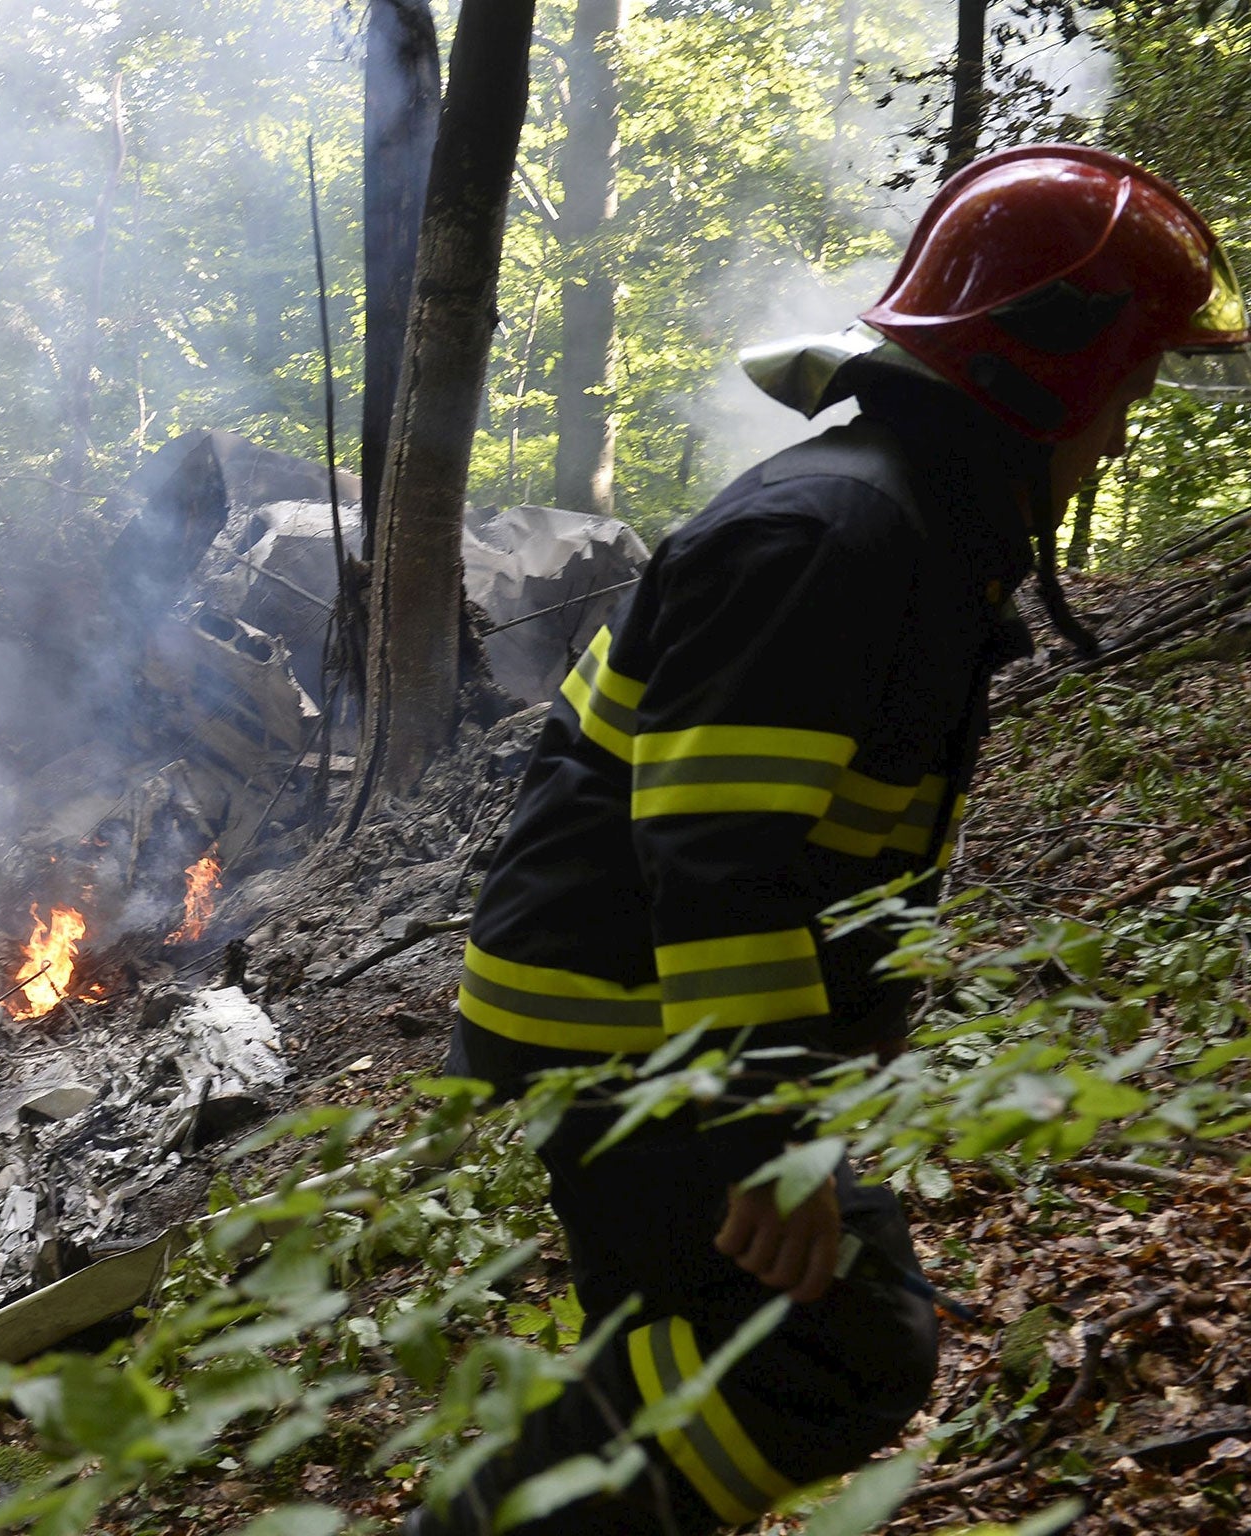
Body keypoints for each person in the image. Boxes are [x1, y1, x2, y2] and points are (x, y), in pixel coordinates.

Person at [408, 144, 1251, 1536]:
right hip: (627, 1029)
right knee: (836, 1346)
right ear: (1054, 370)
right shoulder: (837, 538)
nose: (1119, 434)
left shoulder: (907, 521)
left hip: (659, 1024)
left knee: (704, 1343)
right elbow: (721, 859)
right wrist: (773, 1135)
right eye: (1131, 390)